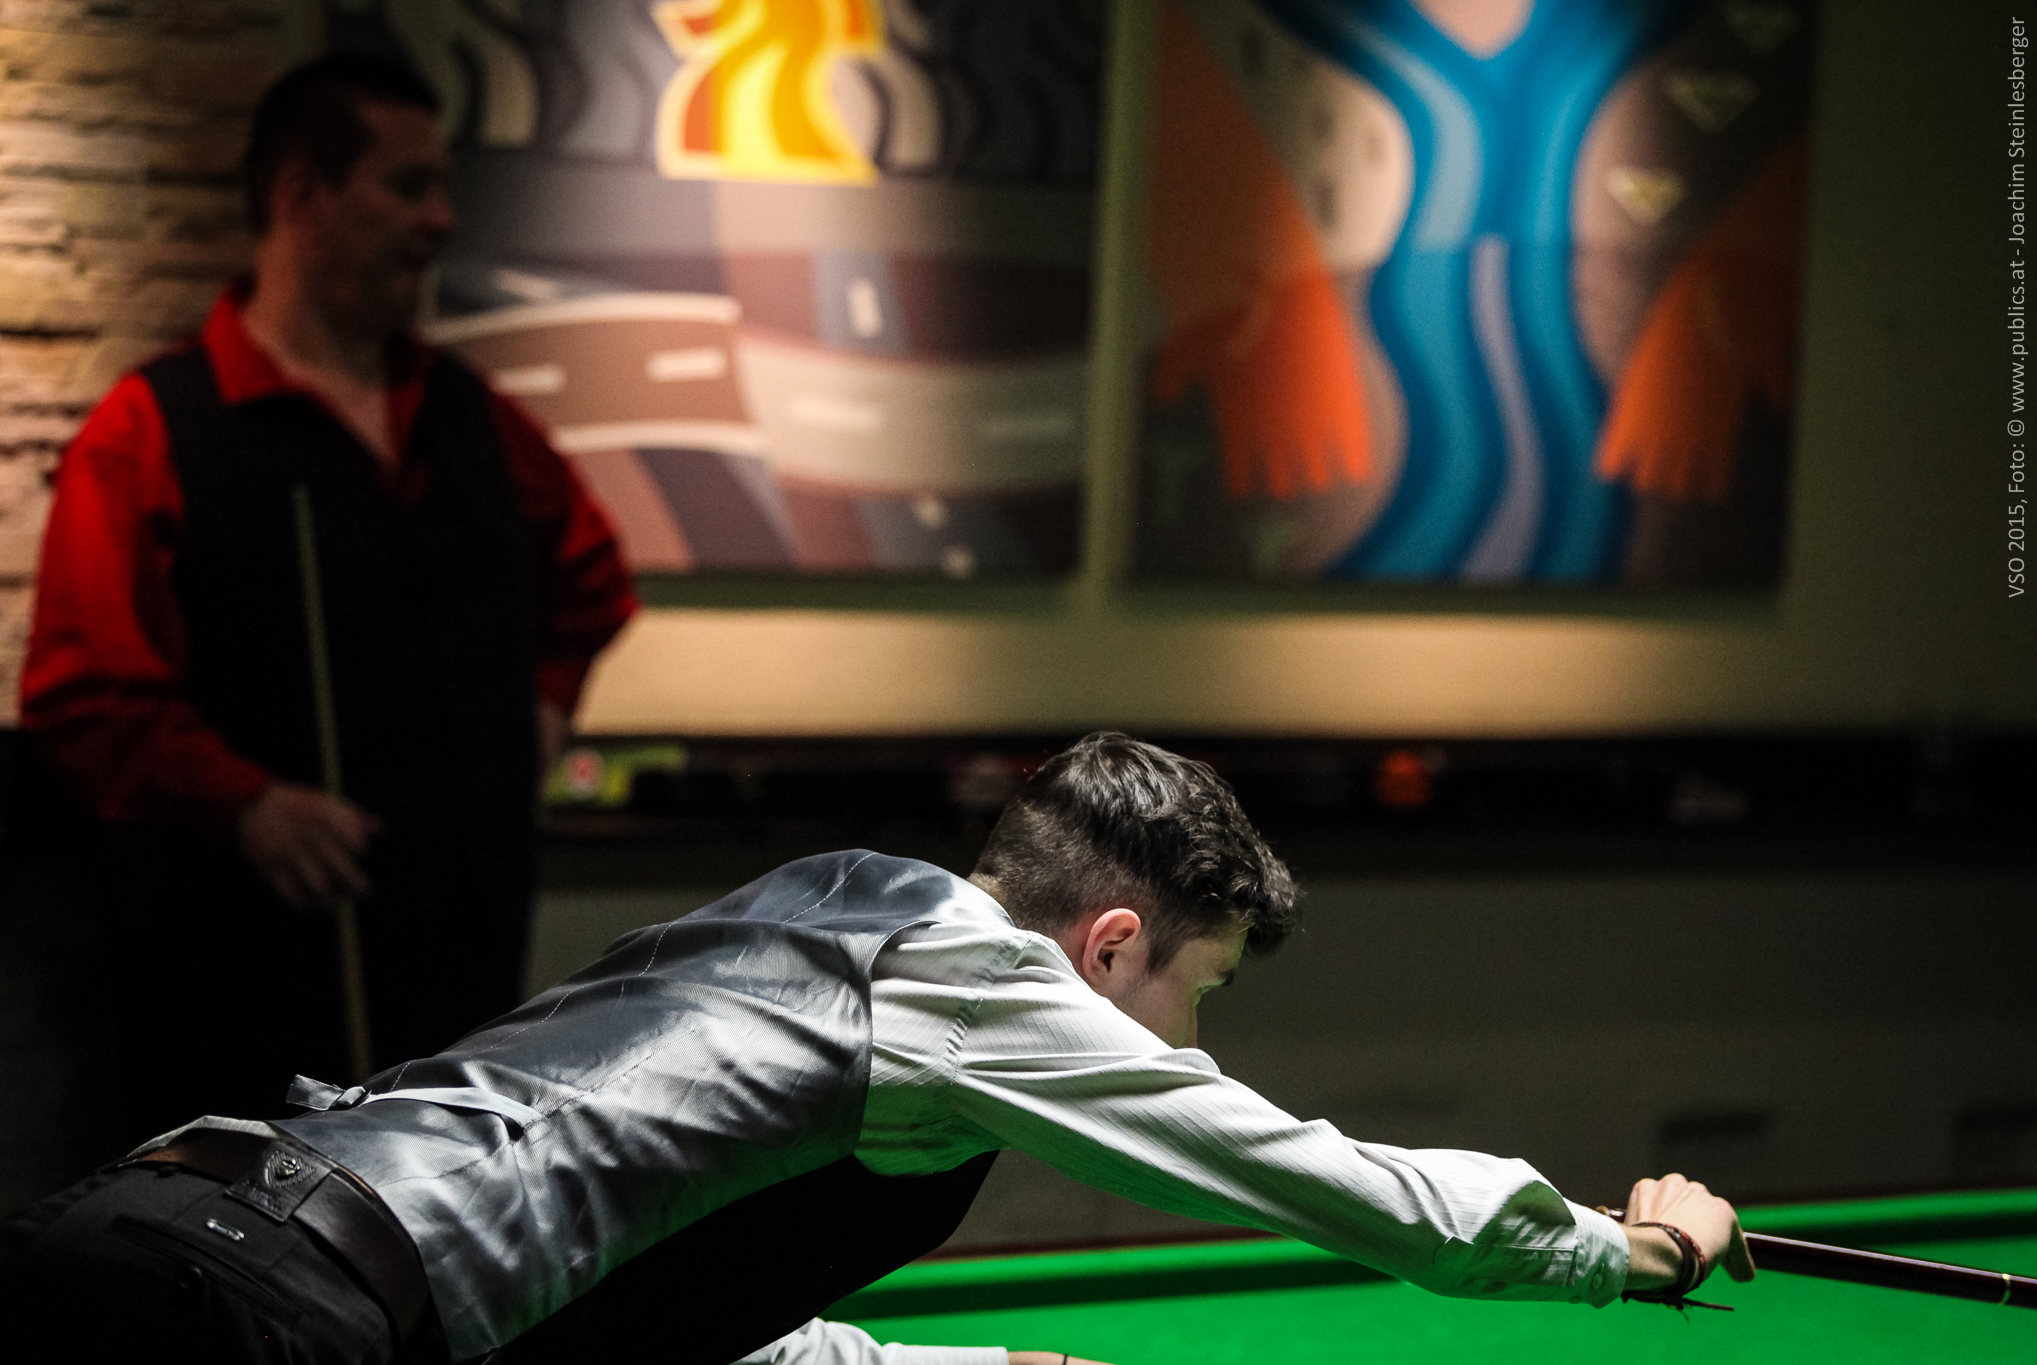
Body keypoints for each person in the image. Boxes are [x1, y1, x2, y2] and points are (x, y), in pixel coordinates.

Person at [0, 733, 1752, 1364]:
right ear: (1108, 945)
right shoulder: (988, 985)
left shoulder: (821, 907)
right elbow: (1310, 1174)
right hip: (264, 1315)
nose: (1188, 1044)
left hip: (152, 1220)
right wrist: (1611, 1249)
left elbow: (641, 1290)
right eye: (1197, 994)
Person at [16, 53, 638, 1147]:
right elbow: (83, 695)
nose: (441, 219)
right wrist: (246, 803)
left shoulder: (475, 418)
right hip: (239, 995)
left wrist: (539, 714)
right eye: (408, 186)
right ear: (303, 197)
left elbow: (592, 580)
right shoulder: (151, 427)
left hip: (461, 988)